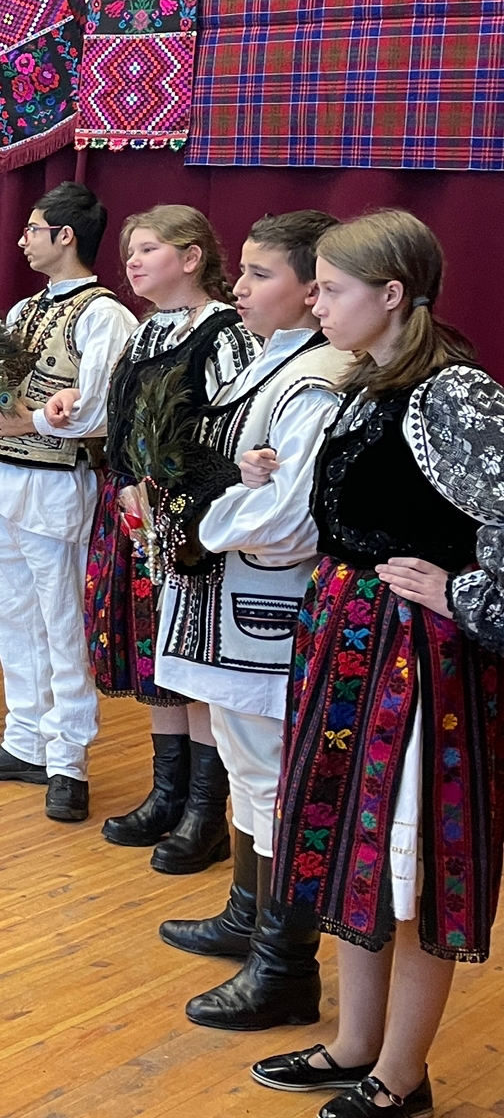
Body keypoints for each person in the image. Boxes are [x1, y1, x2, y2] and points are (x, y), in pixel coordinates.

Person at [251, 210, 504, 1118]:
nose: (315, 303)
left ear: (393, 294)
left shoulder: (454, 393)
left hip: (419, 658)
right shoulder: (367, 383)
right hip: (351, 638)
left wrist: (463, 593)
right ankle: (356, 1045)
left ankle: (402, 1075)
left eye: (332, 289)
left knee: (413, 858)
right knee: (355, 845)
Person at [149, 210, 350, 1032]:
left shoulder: (316, 380)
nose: (239, 287)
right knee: (244, 763)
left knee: (270, 773)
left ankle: (284, 967)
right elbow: (222, 467)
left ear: (310, 291)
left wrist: (202, 516)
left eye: (261, 275)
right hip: (224, 601)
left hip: (263, 604)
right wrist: (217, 483)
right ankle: (246, 914)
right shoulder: (266, 363)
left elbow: (290, 519)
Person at [0, 183, 137, 822]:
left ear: (65, 235)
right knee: (12, 614)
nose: (21, 239)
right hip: (10, 474)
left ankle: (68, 761)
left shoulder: (103, 314)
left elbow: (101, 406)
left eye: (32, 228)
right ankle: (25, 738)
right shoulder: (25, 309)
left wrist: (31, 419)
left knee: (61, 619)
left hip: (59, 481)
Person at [88, 206, 257, 868]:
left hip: (191, 524)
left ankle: (206, 813)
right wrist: (130, 485)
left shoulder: (224, 333)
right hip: (141, 515)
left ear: (191, 258)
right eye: (130, 250)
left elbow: (229, 432)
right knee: (157, 654)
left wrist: (179, 501)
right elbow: (124, 426)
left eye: (148, 249)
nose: (132, 261)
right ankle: (168, 794)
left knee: (195, 659)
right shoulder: (147, 332)